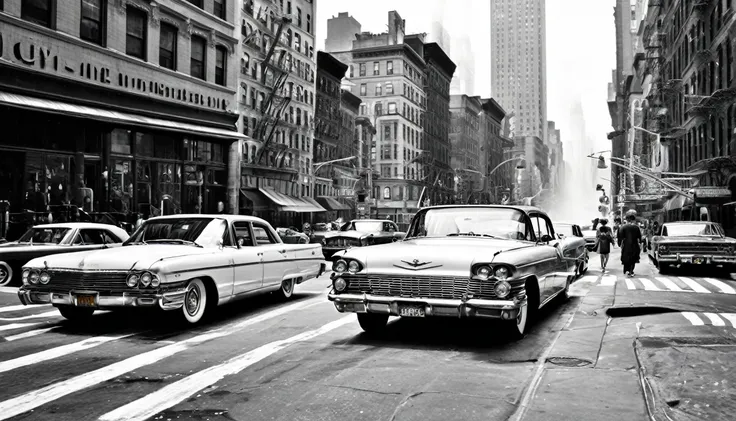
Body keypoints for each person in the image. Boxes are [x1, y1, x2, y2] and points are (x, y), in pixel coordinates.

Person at [618, 213, 642, 277]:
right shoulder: (636, 227)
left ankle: (627, 269)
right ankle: (631, 270)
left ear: (627, 220)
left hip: (626, 245)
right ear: (633, 220)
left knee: (626, 257)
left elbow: (620, 236)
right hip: (634, 244)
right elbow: (639, 237)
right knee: (633, 258)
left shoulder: (623, 227)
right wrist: (640, 244)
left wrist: (620, 244)